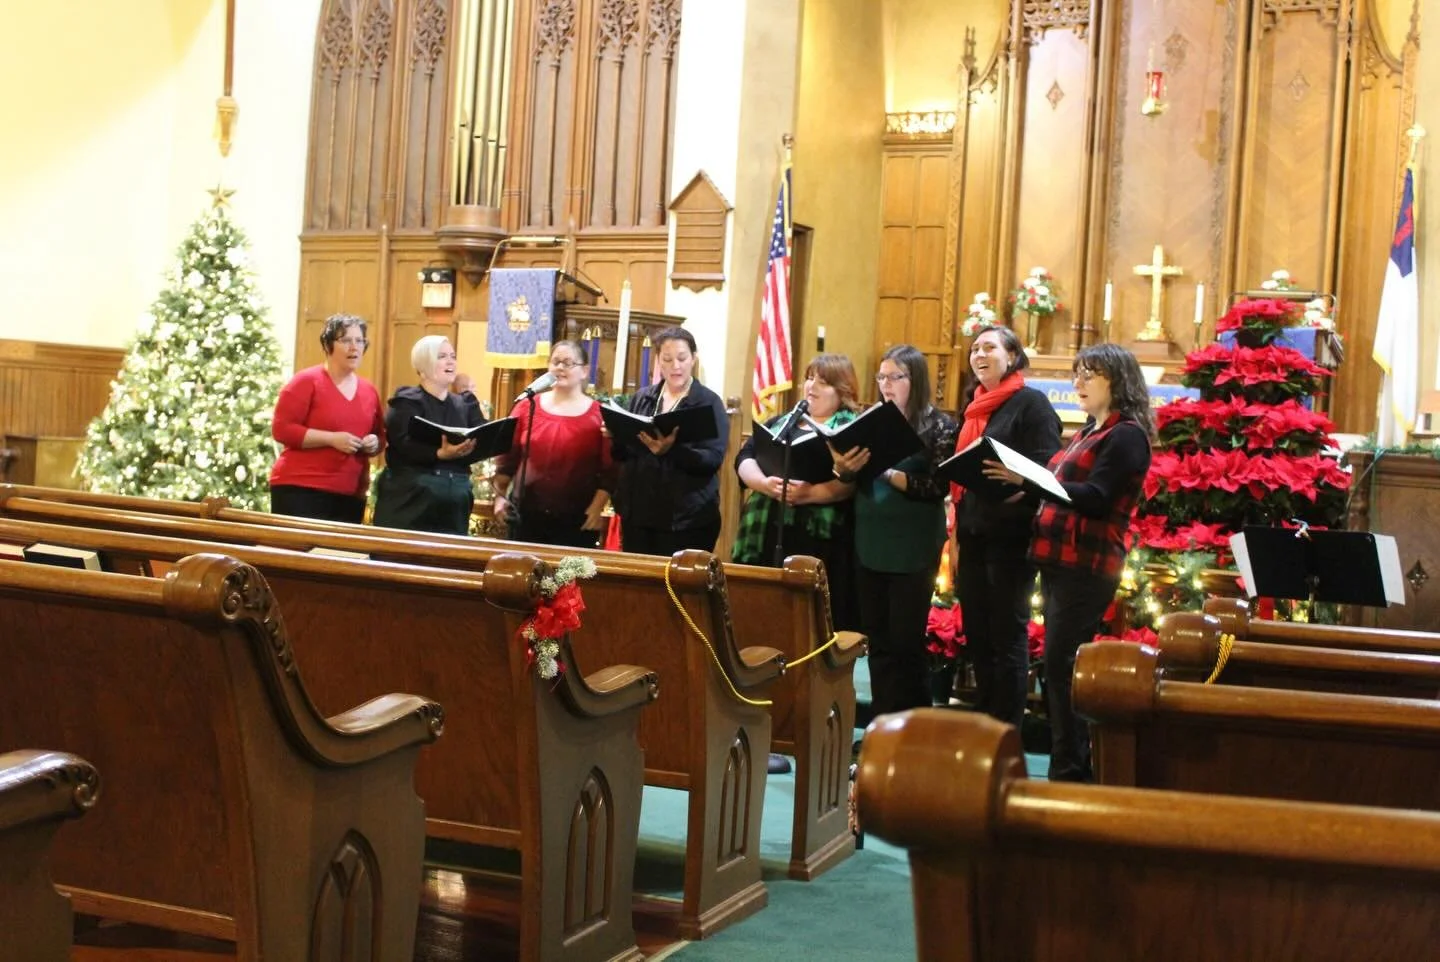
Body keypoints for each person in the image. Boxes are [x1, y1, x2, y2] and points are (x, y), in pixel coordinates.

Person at [983, 342, 1153, 782]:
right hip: (1060, 561)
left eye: (1087, 375)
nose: (1076, 383)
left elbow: (1096, 499)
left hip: (1089, 564)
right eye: (1076, 373)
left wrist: (1030, 480)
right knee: (1058, 666)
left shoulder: (1127, 434)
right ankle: (1070, 764)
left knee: (1062, 665)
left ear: (1116, 381)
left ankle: (1072, 770)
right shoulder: (1090, 431)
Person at [831, 345, 958, 720]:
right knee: (879, 641)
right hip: (871, 540)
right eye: (881, 377)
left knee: (905, 642)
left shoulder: (938, 425)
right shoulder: (871, 420)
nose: (886, 385)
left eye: (895, 377)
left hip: (913, 543)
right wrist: (843, 468)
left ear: (914, 380)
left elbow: (937, 486)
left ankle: (913, 725)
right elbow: (849, 476)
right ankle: (882, 724)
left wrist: (887, 472)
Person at [951, 326, 1061, 727]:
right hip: (973, 536)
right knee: (979, 637)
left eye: (989, 348)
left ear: (1013, 355)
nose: (979, 355)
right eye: (974, 349)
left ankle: (1006, 733)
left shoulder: (1031, 405)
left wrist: (1018, 488)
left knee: (1007, 639)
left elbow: (1049, 470)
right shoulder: (975, 407)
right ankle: (984, 723)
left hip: (1011, 540)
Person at [732, 353, 863, 629]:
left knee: (808, 622)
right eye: (809, 378)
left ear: (843, 392)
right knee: (765, 617)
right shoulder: (784, 421)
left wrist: (809, 494)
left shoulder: (851, 429)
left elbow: (852, 484)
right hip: (768, 529)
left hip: (818, 537)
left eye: (823, 382)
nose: (811, 387)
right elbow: (745, 457)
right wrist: (764, 484)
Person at [610, 326, 728, 555]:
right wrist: (616, 433)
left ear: (693, 359)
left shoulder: (708, 403)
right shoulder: (642, 398)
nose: (676, 366)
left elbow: (712, 459)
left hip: (686, 520)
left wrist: (671, 451)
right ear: (658, 362)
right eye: (667, 359)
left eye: (682, 358)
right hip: (639, 515)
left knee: (676, 589)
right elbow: (622, 455)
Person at [492, 340, 614, 548]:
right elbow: (507, 457)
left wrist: (596, 507)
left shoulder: (599, 415)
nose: (560, 367)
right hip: (525, 514)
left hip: (575, 518)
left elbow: (610, 469)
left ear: (584, 371)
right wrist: (500, 497)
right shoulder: (526, 406)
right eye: (555, 362)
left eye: (568, 362)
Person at [268, 313, 384, 523]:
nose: (354, 347)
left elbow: (379, 437)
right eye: (346, 340)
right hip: (301, 488)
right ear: (328, 344)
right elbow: (282, 429)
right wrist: (331, 439)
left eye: (359, 341)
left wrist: (373, 443)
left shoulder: (369, 391)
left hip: (350, 492)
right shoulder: (305, 381)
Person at [372, 334, 488, 535]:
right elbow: (402, 443)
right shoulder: (407, 401)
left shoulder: (466, 404)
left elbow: (484, 438)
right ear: (423, 364)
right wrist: (438, 454)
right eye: (442, 356)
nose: (450, 360)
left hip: (453, 501)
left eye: (452, 355)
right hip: (411, 500)